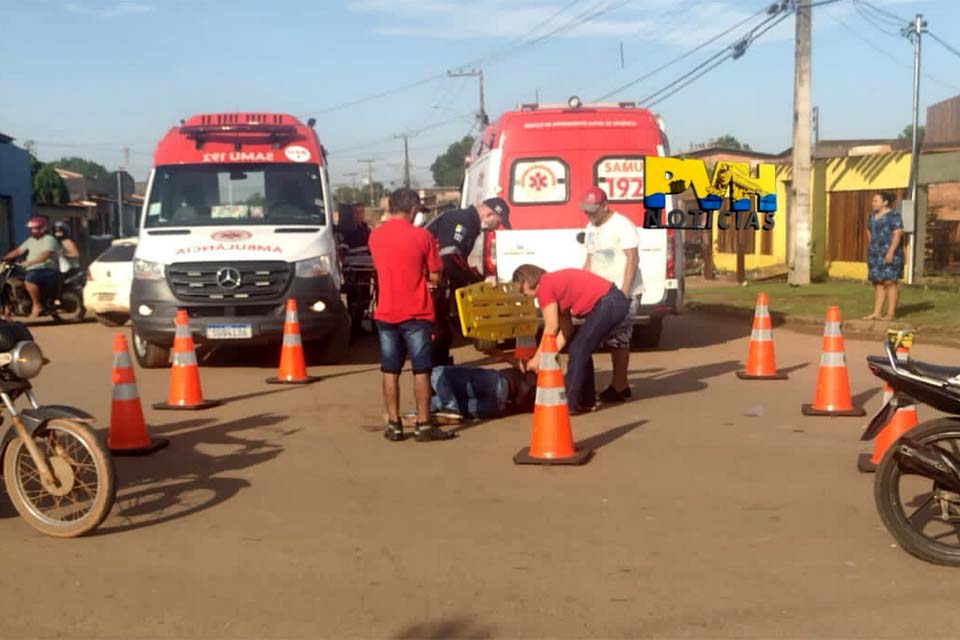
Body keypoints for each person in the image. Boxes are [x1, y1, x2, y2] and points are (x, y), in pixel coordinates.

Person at [368, 188, 453, 442]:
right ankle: (424, 424)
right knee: (421, 370)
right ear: (413, 209)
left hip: (385, 311)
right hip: (416, 312)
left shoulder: (375, 237)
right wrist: (425, 277)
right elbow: (436, 273)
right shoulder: (423, 237)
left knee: (389, 369)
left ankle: (393, 424)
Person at [512, 264, 630, 415]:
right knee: (580, 347)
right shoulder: (552, 285)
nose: (523, 295)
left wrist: (536, 360)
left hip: (609, 302)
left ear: (526, 281)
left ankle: (569, 402)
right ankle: (585, 401)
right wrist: (546, 357)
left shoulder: (545, 287)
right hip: (613, 301)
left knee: (579, 349)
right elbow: (566, 332)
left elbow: (551, 328)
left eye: (521, 290)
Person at [425, 197, 511, 365]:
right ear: (488, 214)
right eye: (498, 222)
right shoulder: (462, 221)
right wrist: (477, 279)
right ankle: (435, 370)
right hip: (429, 280)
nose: (497, 226)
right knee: (438, 330)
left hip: (435, 279)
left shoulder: (469, 222)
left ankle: (438, 366)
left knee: (443, 330)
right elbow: (449, 257)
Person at [579, 187, 640, 404]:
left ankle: (620, 385)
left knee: (619, 339)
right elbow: (590, 258)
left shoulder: (622, 225)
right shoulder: (591, 227)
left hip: (621, 291)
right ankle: (613, 384)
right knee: (596, 337)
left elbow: (632, 258)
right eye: (586, 211)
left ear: (605, 206)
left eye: (593, 211)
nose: (589, 215)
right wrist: (581, 286)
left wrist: (624, 291)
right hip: (598, 291)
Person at [427, 365, 538, 422]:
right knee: (437, 375)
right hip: (501, 404)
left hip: (502, 393)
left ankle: (444, 407)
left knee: (436, 372)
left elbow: (525, 365)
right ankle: (446, 408)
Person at [3, 217, 60, 320]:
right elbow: (19, 250)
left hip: (46, 269)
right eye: (32, 229)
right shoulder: (30, 240)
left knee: (29, 280)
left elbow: (45, 255)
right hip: (31, 269)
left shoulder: (49, 239)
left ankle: (37, 304)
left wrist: (30, 262)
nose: (33, 231)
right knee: (13, 280)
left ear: (43, 228)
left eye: (36, 228)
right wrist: (5, 258)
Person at [863, 191, 904, 320]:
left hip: (890, 253)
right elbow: (868, 230)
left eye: (876, 201)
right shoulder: (871, 216)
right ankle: (876, 312)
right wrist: (872, 247)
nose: (873, 203)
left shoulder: (894, 216)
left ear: (885, 202)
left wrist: (890, 252)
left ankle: (891, 313)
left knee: (889, 282)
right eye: (873, 201)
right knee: (877, 282)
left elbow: (898, 234)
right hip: (875, 253)